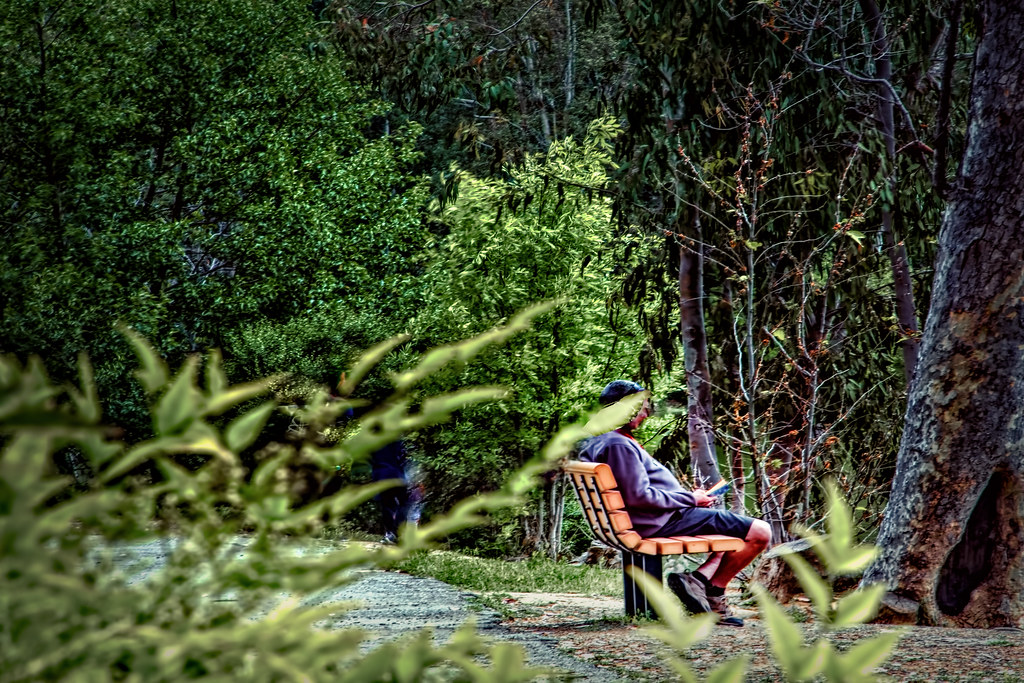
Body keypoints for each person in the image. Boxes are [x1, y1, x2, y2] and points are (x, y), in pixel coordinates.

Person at [578, 380, 772, 627]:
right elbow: (639, 497)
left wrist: (689, 500)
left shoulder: (599, 439)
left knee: (730, 528)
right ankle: (713, 591)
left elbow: (635, 493)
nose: (646, 413)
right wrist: (692, 499)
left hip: (650, 518)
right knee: (760, 532)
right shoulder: (618, 445)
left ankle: (699, 580)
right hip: (659, 521)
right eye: (642, 407)